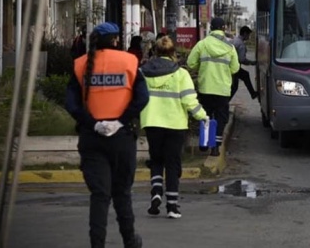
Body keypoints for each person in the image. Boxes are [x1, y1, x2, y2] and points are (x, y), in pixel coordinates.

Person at [64, 22, 149, 248]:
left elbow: (71, 104)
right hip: (122, 139)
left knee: (100, 196)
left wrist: (94, 124)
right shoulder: (130, 62)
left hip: (92, 140)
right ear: (115, 40)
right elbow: (142, 98)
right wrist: (120, 122)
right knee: (122, 193)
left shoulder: (80, 64)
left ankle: (97, 244)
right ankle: (130, 241)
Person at [139, 36, 209, 219]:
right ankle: (172, 206)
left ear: (155, 52)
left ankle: (155, 191)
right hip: (175, 124)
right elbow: (189, 101)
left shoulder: (143, 72)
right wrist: (203, 116)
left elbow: (136, 97)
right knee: (172, 164)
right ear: (173, 53)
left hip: (152, 122)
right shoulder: (181, 74)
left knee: (156, 160)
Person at [187, 17, 239, 156]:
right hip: (222, 90)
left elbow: (190, 63)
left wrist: (201, 67)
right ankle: (215, 147)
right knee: (221, 118)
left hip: (205, 88)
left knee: (206, 115)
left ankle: (204, 143)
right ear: (223, 29)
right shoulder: (230, 47)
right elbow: (235, 69)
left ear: (211, 29)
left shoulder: (202, 44)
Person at [230, 26, 258, 100]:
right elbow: (242, 59)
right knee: (234, 86)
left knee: (234, 86)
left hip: (229, 66)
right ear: (245, 34)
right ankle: (224, 105)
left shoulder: (235, 40)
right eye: (248, 35)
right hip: (234, 67)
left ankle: (253, 94)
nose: (249, 36)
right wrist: (252, 63)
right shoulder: (241, 44)